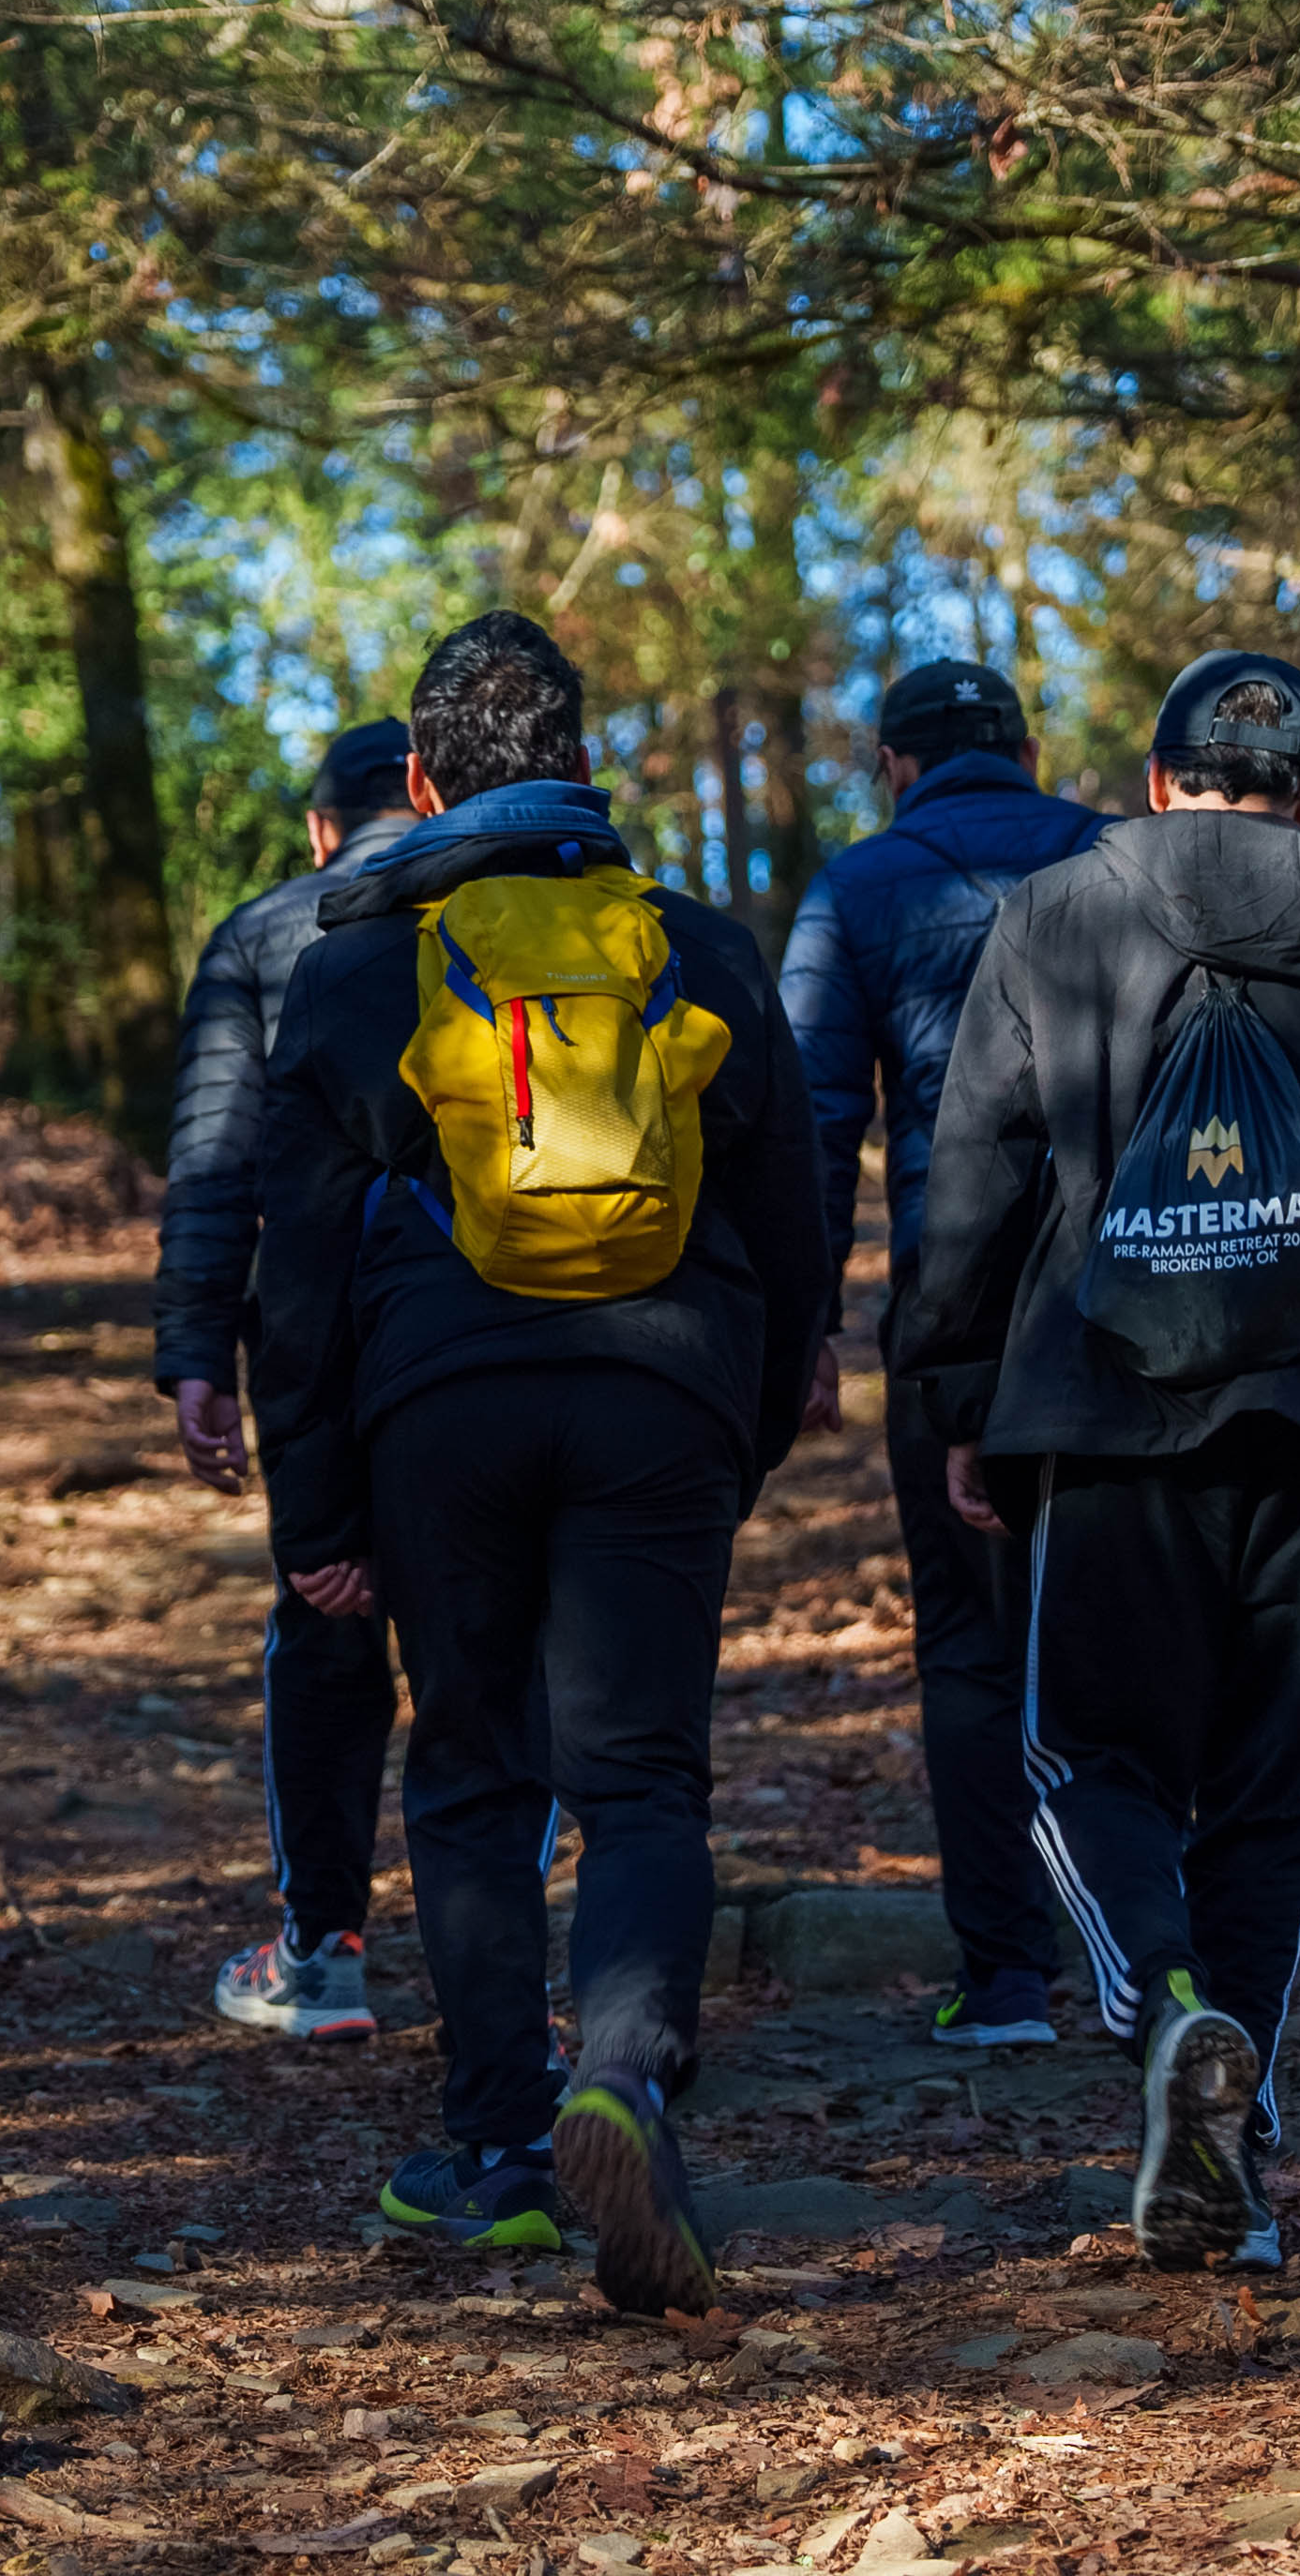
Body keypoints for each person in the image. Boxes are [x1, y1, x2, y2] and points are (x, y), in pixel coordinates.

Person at [904, 651, 1300, 2273]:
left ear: (1158, 779)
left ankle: (1168, 2006)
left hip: (1104, 1412)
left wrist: (958, 1392)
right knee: (1263, 1799)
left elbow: (978, 1169)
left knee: (1083, 1763)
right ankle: (1233, 2173)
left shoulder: (1056, 916)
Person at [249, 612, 831, 2307]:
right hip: (664, 1394)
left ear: (423, 786)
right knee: (642, 1781)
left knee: (473, 1776)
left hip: (440, 1405)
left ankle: (501, 2153)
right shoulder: (696, 949)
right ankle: (625, 2081)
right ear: (584, 761)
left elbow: (295, 1276)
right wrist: (748, 1420)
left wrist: (315, 1512)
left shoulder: (357, 964)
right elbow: (794, 1222)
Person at [778, 662, 1106, 2050]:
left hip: (951, 1303)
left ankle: (1009, 1979)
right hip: (1130, 1295)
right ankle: (1156, 1962)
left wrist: (807, 1328)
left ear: (895, 766)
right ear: (1024, 753)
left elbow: (809, 1125)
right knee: (1126, 1624)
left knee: (972, 1644)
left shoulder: (855, 887)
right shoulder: (1118, 857)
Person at [152, 720, 427, 2041]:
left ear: (323, 828)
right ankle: (518, 1980)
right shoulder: (504, 917)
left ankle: (321, 1952)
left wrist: (198, 1353)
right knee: (492, 1635)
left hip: (314, 1339)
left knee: (323, 1621)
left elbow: (216, 1162)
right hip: (487, 1332)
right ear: (427, 794)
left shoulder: (262, 935)